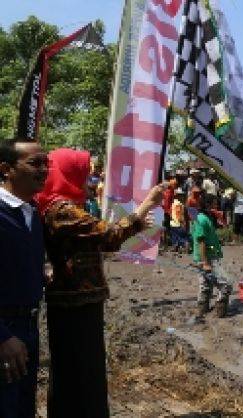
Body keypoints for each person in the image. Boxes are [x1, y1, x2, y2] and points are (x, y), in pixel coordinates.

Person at [35, 148, 165, 418]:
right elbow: (109, 236)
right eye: (84, 172)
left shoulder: (61, 206)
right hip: (75, 303)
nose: (89, 179)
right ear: (70, 173)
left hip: (77, 299)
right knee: (83, 373)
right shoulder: (62, 210)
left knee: (77, 372)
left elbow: (99, 240)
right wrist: (145, 205)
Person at [0, 139, 48, 418]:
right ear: (6, 169)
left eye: (47, 163)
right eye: (35, 163)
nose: (44, 170)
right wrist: (3, 337)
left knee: (23, 407)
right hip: (6, 331)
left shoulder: (32, 213)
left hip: (29, 327)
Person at [192, 194, 230, 320]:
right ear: (207, 205)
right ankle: (220, 312)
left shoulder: (205, 218)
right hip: (207, 259)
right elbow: (201, 240)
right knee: (226, 284)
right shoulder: (201, 219)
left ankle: (202, 311)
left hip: (207, 257)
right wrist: (205, 262)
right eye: (214, 203)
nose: (216, 205)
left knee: (206, 285)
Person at [170, 188, 190, 253]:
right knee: (181, 237)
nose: (182, 197)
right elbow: (179, 214)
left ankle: (177, 248)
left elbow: (177, 214)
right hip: (177, 223)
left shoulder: (175, 203)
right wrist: (183, 222)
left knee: (177, 237)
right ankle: (183, 248)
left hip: (175, 223)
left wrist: (182, 222)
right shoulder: (179, 204)